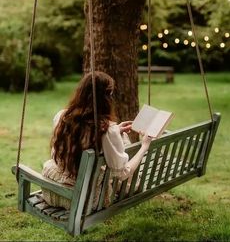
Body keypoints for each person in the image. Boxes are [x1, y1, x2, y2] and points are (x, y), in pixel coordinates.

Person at [42, 71, 152, 210]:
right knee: (127, 175)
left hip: (53, 192)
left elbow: (82, 133)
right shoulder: (106, 130)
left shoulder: (62, 116)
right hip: (84, 201)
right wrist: (144, 145)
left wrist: (115, 130)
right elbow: (122, 174)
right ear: (105, 98)